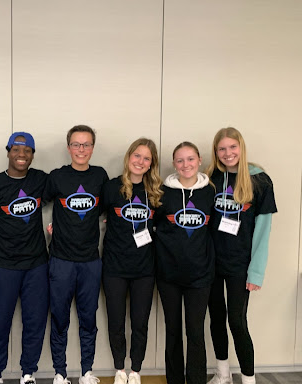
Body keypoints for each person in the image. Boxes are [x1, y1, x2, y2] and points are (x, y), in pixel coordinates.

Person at [206, 128, 277, 384]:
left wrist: (256, 271)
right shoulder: (210, 179)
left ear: (241, 147)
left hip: (240, 265)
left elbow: (263, 231)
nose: (228, 153)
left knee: (237, 321)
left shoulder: (259, 180)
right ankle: (222, 373)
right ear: (216, 152)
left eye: (232, 147)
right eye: (222, 149)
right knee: (216, 319)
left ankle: (248, 379)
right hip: (212, 263)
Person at [0, 132, 49, 384]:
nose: (22, 155)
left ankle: (28, 373)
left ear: (32, 154)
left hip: (37, 266)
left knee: (35, 322)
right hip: (4, 267)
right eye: (17, 150)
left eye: (27, 150)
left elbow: (66, 197)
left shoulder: (41, 180)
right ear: (8, 151)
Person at [44, 125, 109, 384]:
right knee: (59, 318)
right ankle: (60, 373)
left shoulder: (101, 176)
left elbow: (105, 208)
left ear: (93, 147)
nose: (81, 149)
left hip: (91, 261)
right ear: (68, 147)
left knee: (88, 318)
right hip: (60, 260)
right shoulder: (57, 177)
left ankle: (86, 372)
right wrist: (51, 226)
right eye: (76, 144)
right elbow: (40, 203)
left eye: (86, 144)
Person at [101, 138, 163, 384]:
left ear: (151, 164)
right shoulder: (111, 187)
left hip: (145, 269)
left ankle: (135, 370)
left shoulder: (156, 192)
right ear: (128, 158)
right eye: (137, 156)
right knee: (116, 321)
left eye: (146, 158)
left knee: (140, 322)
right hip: (114, 267)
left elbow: (162, 226)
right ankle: (119, 369)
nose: (140, 161)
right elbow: (95, 216)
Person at [154, 142, 215, 384]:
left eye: (190, 159)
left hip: (201, 276)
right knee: (173, 331)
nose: (185, 165)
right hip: (168, 274)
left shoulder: (210, 192)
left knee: (196, 332)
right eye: (180, 160)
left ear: (199, 161)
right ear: (173, 164)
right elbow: (152, 225)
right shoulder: (162, 191)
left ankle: (197, 380)